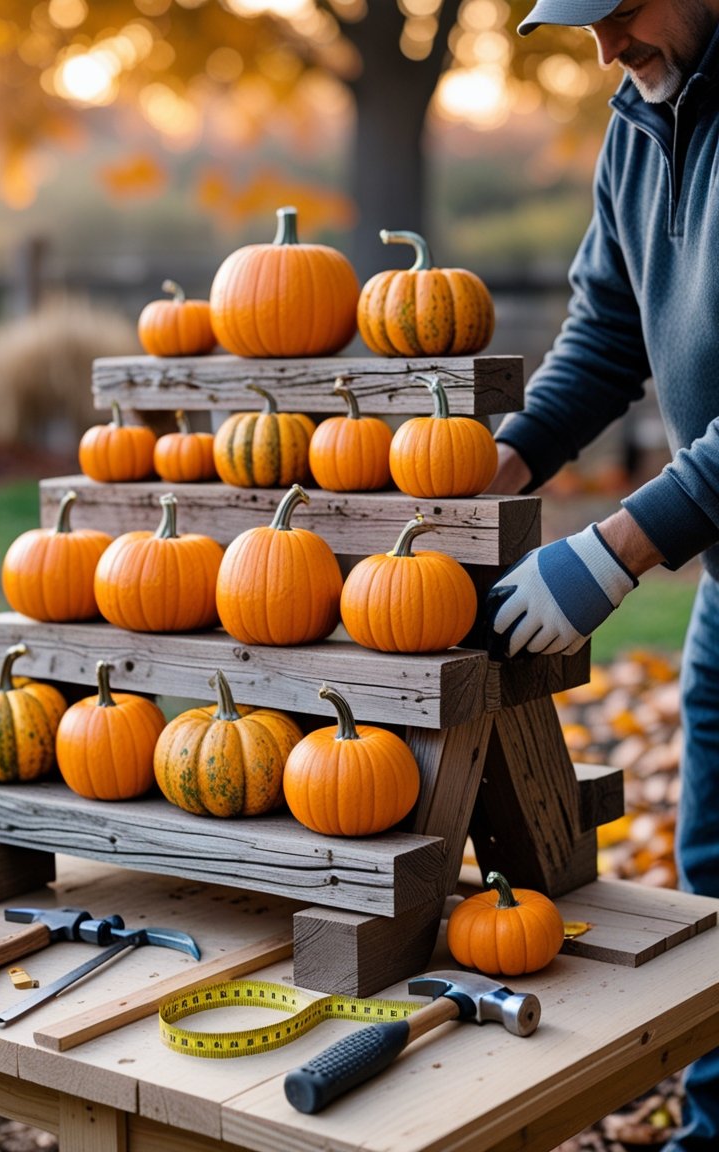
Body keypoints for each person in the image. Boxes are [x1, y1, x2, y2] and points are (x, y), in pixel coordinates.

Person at [484, 1, 719, 1149]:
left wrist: (618, 545)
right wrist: (500, 463)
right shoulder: (639, 116)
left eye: (615, 11)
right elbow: (605, 334)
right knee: (717, 869)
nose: (600, 49)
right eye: (576, 22)